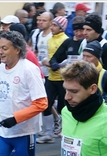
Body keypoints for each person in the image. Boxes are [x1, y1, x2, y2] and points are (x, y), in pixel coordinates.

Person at [37, 15, 68, 144]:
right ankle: (49, 132)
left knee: (62, 107)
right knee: (45, 104)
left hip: (62, 78)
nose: (52, 27)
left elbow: (68, 59)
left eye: (55, 25)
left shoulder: (66, 40)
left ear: (61, 27)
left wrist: (56, 65)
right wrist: (43, 62)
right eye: (52, 24)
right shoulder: (50, 39)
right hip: (51, 77)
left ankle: (64, 131)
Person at [82, 40, 107, 111]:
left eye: (88, 56)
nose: (85, 59)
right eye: (84, 56)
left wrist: (100, 107)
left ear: (97, 58)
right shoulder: (78, 73)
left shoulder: (106, 76)